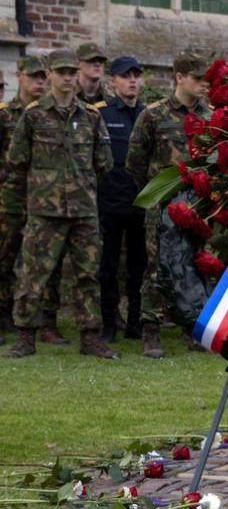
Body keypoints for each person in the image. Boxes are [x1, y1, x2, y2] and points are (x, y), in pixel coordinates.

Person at [2, 50, 118, 359]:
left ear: (76, 75)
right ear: (50, 74)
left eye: (71, 72)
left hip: (83, 211)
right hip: (44, 211)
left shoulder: (91, 117)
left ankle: (90, 337)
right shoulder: (34, 115)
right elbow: (17, 159)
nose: (67, 77)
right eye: (61, 72)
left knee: (88, 275)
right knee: (33, 274)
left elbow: (103, 162)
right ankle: (25, 336)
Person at [126, 52, 211, 358]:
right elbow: (135, 162)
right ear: (179, 77)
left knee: (197, 263)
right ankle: (151, 329)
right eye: (197, 78)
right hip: (163, 205)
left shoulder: (211, 116)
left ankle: (196, 329)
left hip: (200, 205)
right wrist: (156, 193)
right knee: (157, 266)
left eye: (206, 79)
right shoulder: (154, 115)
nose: (204, 85)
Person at [0, 55, 65, 344]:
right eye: (33, 77)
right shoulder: (6, 115)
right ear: (19, 76)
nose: (39, 82)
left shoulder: (51, 114)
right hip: (11, 200)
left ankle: (45, 322)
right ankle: (4, 316)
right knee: (4, 258)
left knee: (48, 264)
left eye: (43, 77)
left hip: (46, 202)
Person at [98, 56, 148, 343]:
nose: (132, 80)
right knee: (108, 267)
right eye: (125, 76)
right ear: (112, 81)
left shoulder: (147, 114)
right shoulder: (101, 114)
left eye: (135, 75)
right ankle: (107, 324)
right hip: (110, 204)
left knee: (138, 268)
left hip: (140, 204)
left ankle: (135, 323)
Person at [75, 42, 111, 108]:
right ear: (78, 64)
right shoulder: (68, 97)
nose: (97, 64)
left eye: (101, 61)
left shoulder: (111, 100)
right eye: (91, 60)